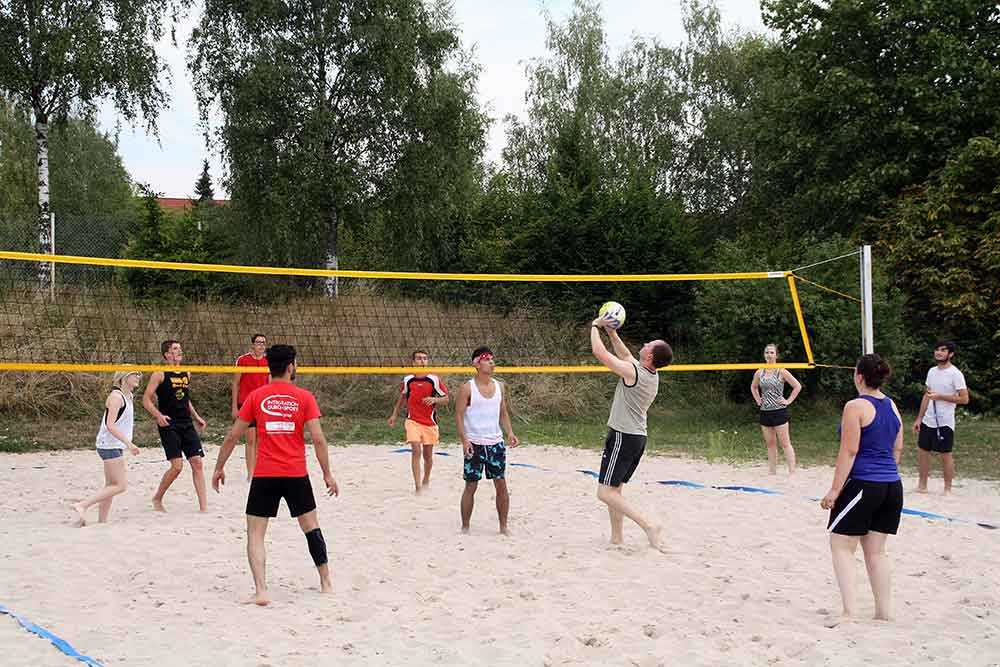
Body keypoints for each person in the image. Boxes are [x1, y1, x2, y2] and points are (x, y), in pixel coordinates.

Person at [213, 344, 339, 606]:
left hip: (265, 474)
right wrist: (327, 474)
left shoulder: (257, 396)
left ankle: (261, 590)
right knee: (311, 527)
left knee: (255, 534)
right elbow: (318, 439)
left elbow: (233, 435)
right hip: (295, 473)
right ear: (291, 366)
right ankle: (326, 582)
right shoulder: (304, 397)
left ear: (269, 367)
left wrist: (219, 467)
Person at [821, 353, 903, 626]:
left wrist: (835, 490)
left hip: (865, 484)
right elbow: (897, 448)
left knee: (841, 545)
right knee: (876, 551)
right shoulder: (892, 406)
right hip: (892, 485)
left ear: (859, 376)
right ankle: (884, 612)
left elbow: (850, 449)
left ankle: (849, 613)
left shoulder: (855, 406)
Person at [590, 314, 673, 552]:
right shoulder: (648, 372)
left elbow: (600, 353)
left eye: (649, 345)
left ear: (649, 356)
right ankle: (617, 538)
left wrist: (595, 326)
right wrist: (612, 331)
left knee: (604, 492)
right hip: (636, 438)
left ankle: (649, 526)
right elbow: (625, 354)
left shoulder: (634, 374)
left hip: (623, 437)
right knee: (615, 489)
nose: (645, 344)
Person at [455, 347, 518, 535]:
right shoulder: (467, 388)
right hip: (474, 444)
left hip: (496, 444)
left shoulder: (500, 386)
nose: (491, 362)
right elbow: (458, 415)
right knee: (471, 485)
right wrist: (464, 440)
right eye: (487, 359)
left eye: (492, 359)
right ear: (476, 364)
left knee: (501, 484)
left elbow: (503, 412)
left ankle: (503, 527)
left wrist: (510, 432)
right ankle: (465, 527)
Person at [143, 340, 208, 512]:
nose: (179, 351)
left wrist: (196, 417)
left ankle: (203, 508)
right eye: (175, 349)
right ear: (167, 354)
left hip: (186, 422)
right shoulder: (159, 373)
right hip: (169, 423)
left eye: (180, 348)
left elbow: (185, 399)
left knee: (197, 463)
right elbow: (146, 399)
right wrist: (158, 415)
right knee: (177, 466)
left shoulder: (186, 372)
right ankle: (157, 498)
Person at [71, 371, 143, 526]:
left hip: (114, 444)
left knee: (111, 485)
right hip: (109, 445)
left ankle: (102, 521)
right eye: (134, 374)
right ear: (124, 377)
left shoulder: (128, 396)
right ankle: (83, 505)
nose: (138, 377)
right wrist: (129, 443)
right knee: (120, 485)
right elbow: (110, 425)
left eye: (139, 374)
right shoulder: (117, 397)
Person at [388, 349, 449, 493]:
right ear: (413, 362)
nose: (422, 361)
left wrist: (434, 399)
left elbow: (446, 399)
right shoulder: (408, 379)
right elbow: (402, 397)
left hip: (429, 422)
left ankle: (426, 479)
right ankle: (418, 486)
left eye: (425, 358)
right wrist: (394, 415)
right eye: (419, 358)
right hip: (412, 420)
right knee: (416, 450)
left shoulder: (434, 379)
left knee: (428, 456)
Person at [912, 341, 969, 494]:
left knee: (945, 454)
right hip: (927, 420)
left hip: (945, 422)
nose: (939, 353)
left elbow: (964, 399)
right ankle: (922, 486)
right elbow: (927, 395)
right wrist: (919, 418)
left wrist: (941, 397)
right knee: (923, 451)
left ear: (950, 354)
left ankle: (947, 489)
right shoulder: (931, 371)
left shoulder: (955, 374)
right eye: (937, 350)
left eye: (943, 350)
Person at [750, 343, 802, 475]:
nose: (769, 355)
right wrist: (757, 399)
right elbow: (753, 387)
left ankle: (792, 472)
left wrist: (788, 401)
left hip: (779, 411)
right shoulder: (759, 372)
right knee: (770, 444)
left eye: (772, 352)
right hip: (765, 411)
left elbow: (797, 386)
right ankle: (772, 472)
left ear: (776, 355)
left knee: (785, 443)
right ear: (764, 355)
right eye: (767, 352)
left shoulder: (781, 371)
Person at [232, 334, 269, 479]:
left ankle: (259, 471)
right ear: (252, 345)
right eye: (258, 343)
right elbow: (235, 383)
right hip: (246, 404)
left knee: (261, 440)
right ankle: (251, 474)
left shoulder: (268, 361)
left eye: (263, 343)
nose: (261, 345)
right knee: (251, 440)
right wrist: (234, 407)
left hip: (263, 405)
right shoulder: (243, 360)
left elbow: (271, 384)